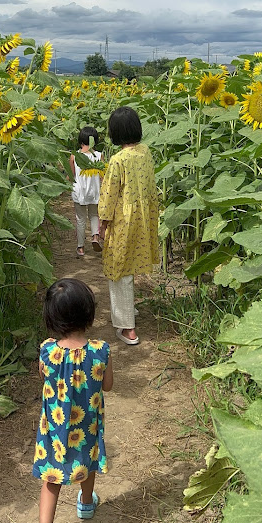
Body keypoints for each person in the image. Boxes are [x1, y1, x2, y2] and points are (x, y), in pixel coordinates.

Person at [33, 278, 113, 523]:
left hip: (54, 430)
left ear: (51, 317)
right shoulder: (100, 350)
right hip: (87, 426)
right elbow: (108, 386)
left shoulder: (47, 350)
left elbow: (43, 377)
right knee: (88, 462)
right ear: (89, 313)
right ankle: (87, 504)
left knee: (50, 479)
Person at [98, 107, 159, 346]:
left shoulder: (118, 160)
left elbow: (109, 194)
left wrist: (101, 223)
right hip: (143, 217)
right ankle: (128, 311)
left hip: (123, 219)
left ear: (115, 132)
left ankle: (127, 328)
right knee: (130, 265)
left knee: (118, 270)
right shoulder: (145, 152)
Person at [70, 126, 103, 257]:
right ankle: (95, 237)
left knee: (80, 219)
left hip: (79, 191)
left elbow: (71, 174)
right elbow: (102, 175)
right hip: (94, 191)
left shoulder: (74, 156)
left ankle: (81, 247)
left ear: (80, 140)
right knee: (94, 215)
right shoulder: (99, 156)